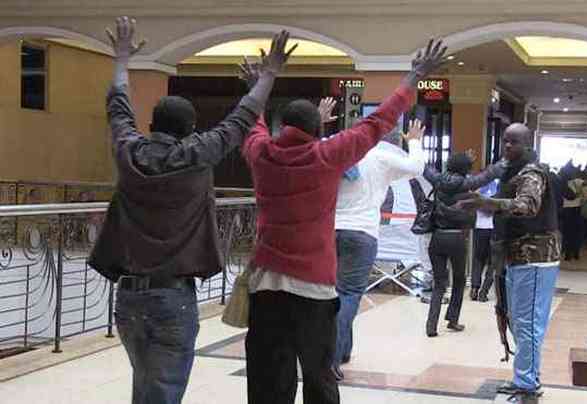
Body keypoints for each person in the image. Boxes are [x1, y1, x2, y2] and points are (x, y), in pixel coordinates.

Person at [88, 17, 293, 404]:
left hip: (128, 299)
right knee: (161, 393)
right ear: (192, 128)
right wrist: (268, 76)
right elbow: (242, 118)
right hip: (173, 298)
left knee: (147, 389)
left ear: (150, 125)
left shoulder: (130, 152)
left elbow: (117, 109)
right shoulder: (199, 153)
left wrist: (120, 60)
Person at [240, 39, 448, 404]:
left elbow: (250, 123)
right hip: (314, 286)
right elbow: (377, 122)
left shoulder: (262, 154)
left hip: (266, 282)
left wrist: (259, 84)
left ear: (282, 126)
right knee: (319, 373)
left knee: (268, 374)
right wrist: (415, 76)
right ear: (315, 128)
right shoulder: (327, 155)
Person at [455, 123, 561, 398]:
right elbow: (504, 207)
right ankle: (526, 376)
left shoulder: (532, 173)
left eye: (513, 142)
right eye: (505, 142)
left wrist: (490, 204)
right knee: (517, 321)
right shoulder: (510, 174)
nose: (507, 147)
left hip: (535, 258)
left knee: (527, 324)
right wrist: (482, 205)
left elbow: (527, 206)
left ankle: (527, 382)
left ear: (527, 144)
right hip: (516, 257)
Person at [331, 119, 427, 380]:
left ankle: (343, 350)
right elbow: (416, 168)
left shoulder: (339, 151)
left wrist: (320, 125)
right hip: (362, 234)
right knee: (348, 294)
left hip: (329, 232)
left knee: (333, 293)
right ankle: (331, 357)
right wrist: (415, 141)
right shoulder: (382, 156)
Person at [422, 151, 505, 337]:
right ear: (466, 169)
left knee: (439, 283)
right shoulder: (468, 183)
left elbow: (423, 167)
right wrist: (506, 161)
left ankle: (431, 325)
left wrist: (414, 144)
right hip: (457, 238)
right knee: (459, 281)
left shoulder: (438, 180)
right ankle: (452, 320)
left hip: (437, 238)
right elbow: (488, 175)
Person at [470, 180, 498, 302]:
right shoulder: (499, 188)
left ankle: (474, 288)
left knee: (478, 259)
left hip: (479, 228)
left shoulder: (478, 190)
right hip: (495, 229)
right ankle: (484, 292)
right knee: (493, 262)